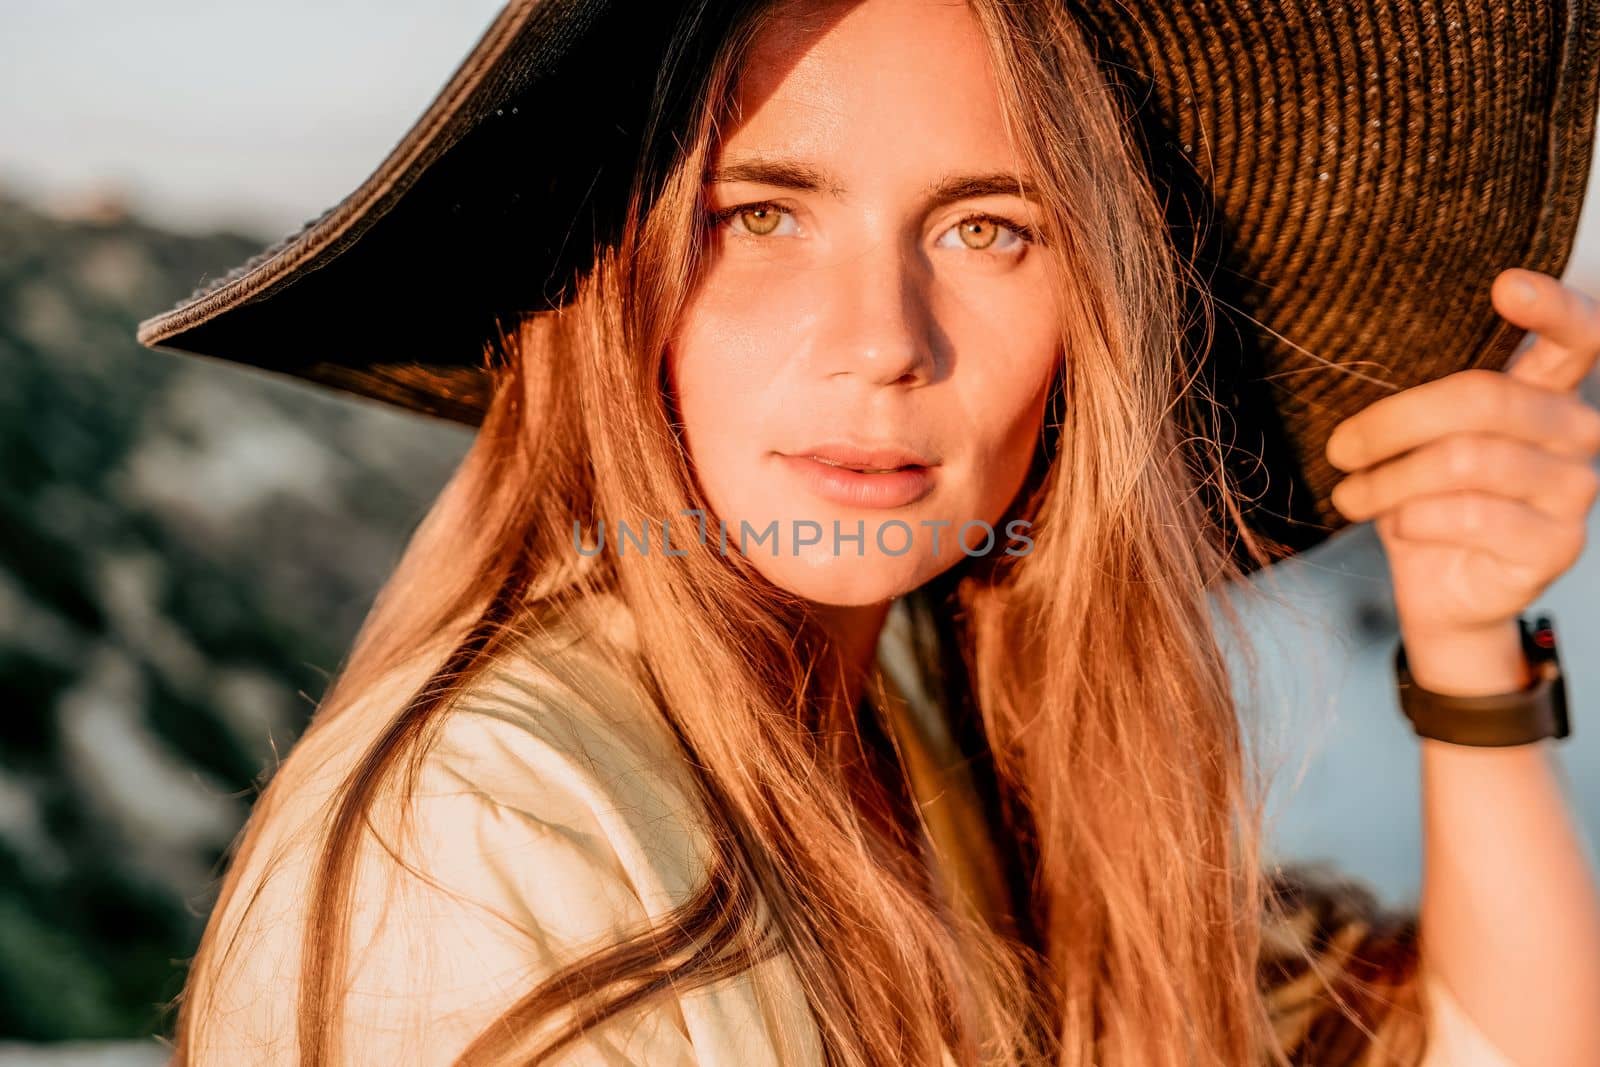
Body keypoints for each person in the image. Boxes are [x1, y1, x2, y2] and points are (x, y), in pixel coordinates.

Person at [134, 0, 1600, 1064]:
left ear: (1092, 322)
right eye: (759, 217)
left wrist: (1469, 640)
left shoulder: (943, 741)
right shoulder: (493, 842)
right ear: (607, 281)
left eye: (990, 230)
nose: (883, 343)